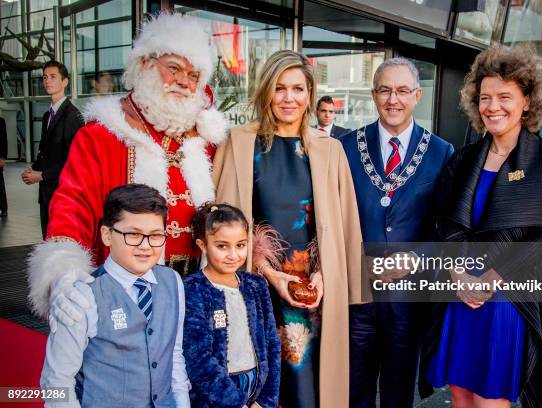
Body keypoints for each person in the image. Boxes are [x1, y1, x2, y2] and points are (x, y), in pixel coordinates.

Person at [27, 12, 227, 329]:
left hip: (199, 299)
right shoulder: (103, 135)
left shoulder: (208, 142)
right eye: (173, 68)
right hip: (126, 301)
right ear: (145, 65)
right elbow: (72, 205)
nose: (183, 82)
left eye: (193, 75)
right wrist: (63, 271)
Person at [421, 45, 542, 408]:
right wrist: (458, 277)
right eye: (485, 97)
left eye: (505, 96)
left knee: (490, 399)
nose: (493, 106)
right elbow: (446, 224)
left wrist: (487, 283)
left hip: (507, 296)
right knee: (460, 394)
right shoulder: (464, 158)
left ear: (527, 102)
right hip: (460, 292)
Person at [213, 49, 362, 408]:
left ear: (309, 93)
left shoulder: (330, 150)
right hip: (256, 285)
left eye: (298, 89)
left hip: (311, 296)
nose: (288, 98)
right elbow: (219, 223)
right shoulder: (238, 144)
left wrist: (327, 275)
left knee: (307, 390)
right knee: (256, 387)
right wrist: (269, 273)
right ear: (266, 91)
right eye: (279, 88)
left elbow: (345, 229)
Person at [340, 57, 454, 407]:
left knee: (397, 393)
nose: (394, 99)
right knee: (353, 389)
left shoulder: (440, 152)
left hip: (407, 299)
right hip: (356, 296)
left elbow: (447, 229)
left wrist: (416, 257)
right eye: (385, 90)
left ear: (417, 95)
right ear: (374, 95)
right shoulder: (345, 147)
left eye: (403, 90)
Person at [40, 184, 191, 407]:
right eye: (133, 234)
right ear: (107, 235)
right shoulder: (81, 295)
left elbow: (174, 357)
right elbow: (55, 382)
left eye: (156, 235)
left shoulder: (172, 281)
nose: (145, 246)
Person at [183, 203, 280, 407]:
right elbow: (198, 358)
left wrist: (266, 400)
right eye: (222, 246)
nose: (233, 255)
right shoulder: (194, 290)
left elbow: (272, 343)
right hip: (217, 396)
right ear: (202, 245)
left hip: (257, 390)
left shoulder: (256, 285)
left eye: (240, 245)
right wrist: (234, 402)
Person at [21, 61, 84, 237]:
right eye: (45, 77)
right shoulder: (48, 115)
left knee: (59, 241)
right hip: (47, 192)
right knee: (47, 239)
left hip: (62, 193)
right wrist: (34, 168)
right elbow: (47, 150)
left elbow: (73, 160)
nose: (47, 81)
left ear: (65, 82)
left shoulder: (73, 116)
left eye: (53, 77)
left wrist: (41, 175)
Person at [0, 116, 7, 217]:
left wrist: (2, 157)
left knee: (0, 185)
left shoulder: (1, 122)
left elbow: (3, 140)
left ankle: (3, 208)